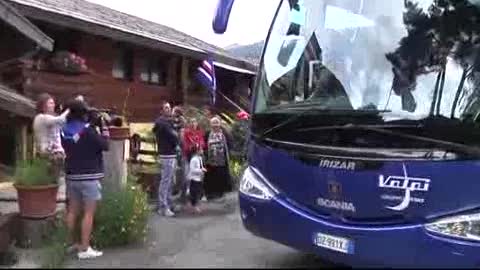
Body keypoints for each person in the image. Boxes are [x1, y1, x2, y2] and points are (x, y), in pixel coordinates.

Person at [62, 99, 110, 259]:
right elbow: (106, 145)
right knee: (88, 213)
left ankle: (67, 244)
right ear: (83, 113)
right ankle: (84, 248)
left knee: (73, 211)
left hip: (71, 175)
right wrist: (102, 126)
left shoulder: (64, 130)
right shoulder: (88, 130)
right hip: (89, 176)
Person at [33, 93, 70, 181]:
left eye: (53, 103)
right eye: (50, 103)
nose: (53, 105)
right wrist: (69, 109)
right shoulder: (41, 117)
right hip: (49, 153)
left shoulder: (49, 118)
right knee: (51, 180)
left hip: (55, 154)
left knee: (54, 180)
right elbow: (60, 120)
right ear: (43, 105)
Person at [152, 102, 179, 217]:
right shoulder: (162, 123)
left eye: (169, 108)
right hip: (166, 155)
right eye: (166, 108)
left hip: (171, 154)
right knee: (166, 181)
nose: (169, 110)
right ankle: (163, 207)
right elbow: (173, 136)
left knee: (170, 181)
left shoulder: (168, 122)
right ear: (162, 110)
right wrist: (176, 134)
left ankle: (168, 202)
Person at [203, 116, 233, 201]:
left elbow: (229, 143)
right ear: (210, 125)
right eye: (213, 124)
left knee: (221, 176)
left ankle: (220, 194)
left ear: (219, 124)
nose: (215, 126)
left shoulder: (224, 133)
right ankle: (209, 194)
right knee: (210, 177)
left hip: (221, 159)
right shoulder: (208, 133)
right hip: (210, 159)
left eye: (216, 124)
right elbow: (204, 143)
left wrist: (229, 153)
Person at [181, 118, 206, 204]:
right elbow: (185, 145)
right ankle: (186, 194)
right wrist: (191, 146)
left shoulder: (199, 132)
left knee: (200, 174)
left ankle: (199, 194)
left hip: (198, 156)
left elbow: (202, 143)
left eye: (195, 122)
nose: (193, 124)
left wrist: (199, 145)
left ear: (197, 123)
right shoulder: (187, 133)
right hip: (188, 156)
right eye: (191, 122)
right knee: (187, 174)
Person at [187, 144, 207, 214]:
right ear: (197, 151)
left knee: (199, 192)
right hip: (194, 178)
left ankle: (194, 204)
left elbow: (201, 166)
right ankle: (194, 205)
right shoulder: (193, 159)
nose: (202, 150)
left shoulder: (200, 158)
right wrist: (201, 171)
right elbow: (192, 170)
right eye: (201, 149)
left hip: (199, 178)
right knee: (194, 193)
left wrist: (203, 169)